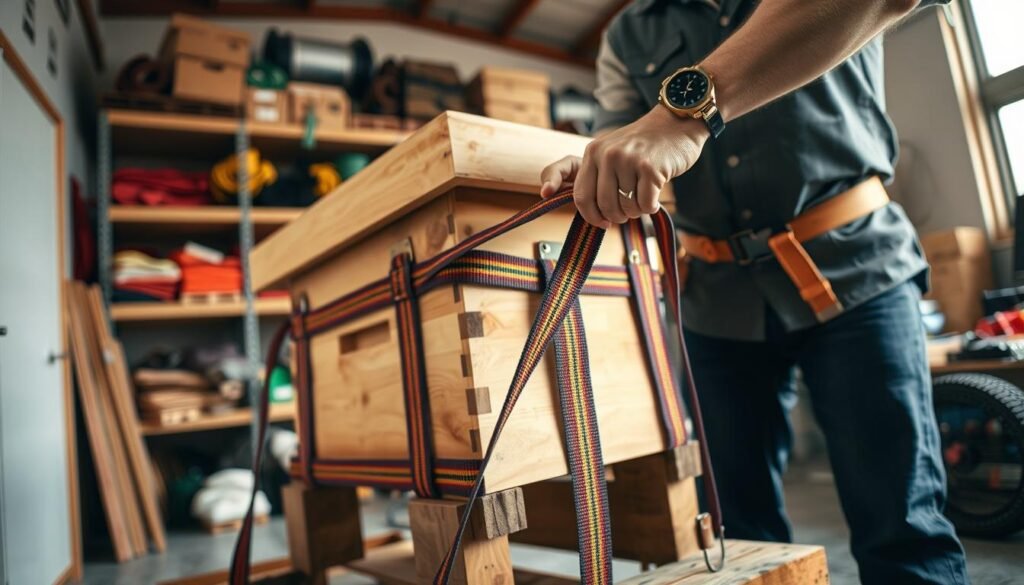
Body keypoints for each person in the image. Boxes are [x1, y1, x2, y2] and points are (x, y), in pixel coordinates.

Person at [540, 0, 970, 583]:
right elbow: (620, 129)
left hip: (855, 271)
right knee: (739, 537)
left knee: (902, 528)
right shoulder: (627, 33)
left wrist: (680, 117)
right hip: (716, 301)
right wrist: (599, 166)